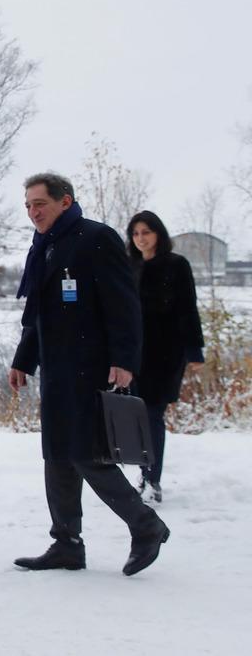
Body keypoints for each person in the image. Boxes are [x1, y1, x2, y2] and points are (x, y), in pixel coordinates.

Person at [9, 173, 169, 577]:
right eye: (28, 205)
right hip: (56, 368)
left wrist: (125, 359)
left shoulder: (96, 238)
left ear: (65, 202)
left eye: (40, 203)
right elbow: (38, 313)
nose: (33, 212)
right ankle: (66, 543)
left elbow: (124, 303)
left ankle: (146, 526)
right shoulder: (44, 245)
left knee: (84, 453)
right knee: (56, 455)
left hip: (90, 364)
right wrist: (23, 360)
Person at [126, 210, 204, 503]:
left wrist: (195, 350)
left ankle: (152, 480)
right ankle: (144, 474)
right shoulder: (129, 266)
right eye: (135, 233)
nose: (141, 238)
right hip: (134, 353)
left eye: (146, 232)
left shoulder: (176, 265)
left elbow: (188, 308)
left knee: (153, 413)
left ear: (158, 233)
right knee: (137, 414)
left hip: (167, 352)